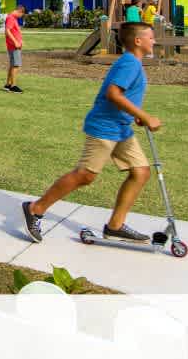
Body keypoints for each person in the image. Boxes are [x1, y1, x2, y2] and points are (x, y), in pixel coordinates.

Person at [21, 22, 162, 243]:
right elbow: (113, 94)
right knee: (85, 175)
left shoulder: (133, 63)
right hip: (105, 127)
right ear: (138, 41)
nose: (154, 41)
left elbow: (124, 96)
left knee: (141, 172)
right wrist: (145, 117)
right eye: (151, 37)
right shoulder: (130, 64)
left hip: (121, 127)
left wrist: (133, 114)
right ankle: (35, 209)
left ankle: (115, 226)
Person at [3, 4, 25, 93]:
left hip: (14, 45)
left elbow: (14, 31)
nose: (21, 17)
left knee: (13, 65)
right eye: (21, 15)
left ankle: (8, 84)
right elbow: (7, 31)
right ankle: (13, 86)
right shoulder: (11, 18)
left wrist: (20, 40)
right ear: (20, 12)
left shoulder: (12, 18)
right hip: (13, 46)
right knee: (16, 65)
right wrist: (16, 42)